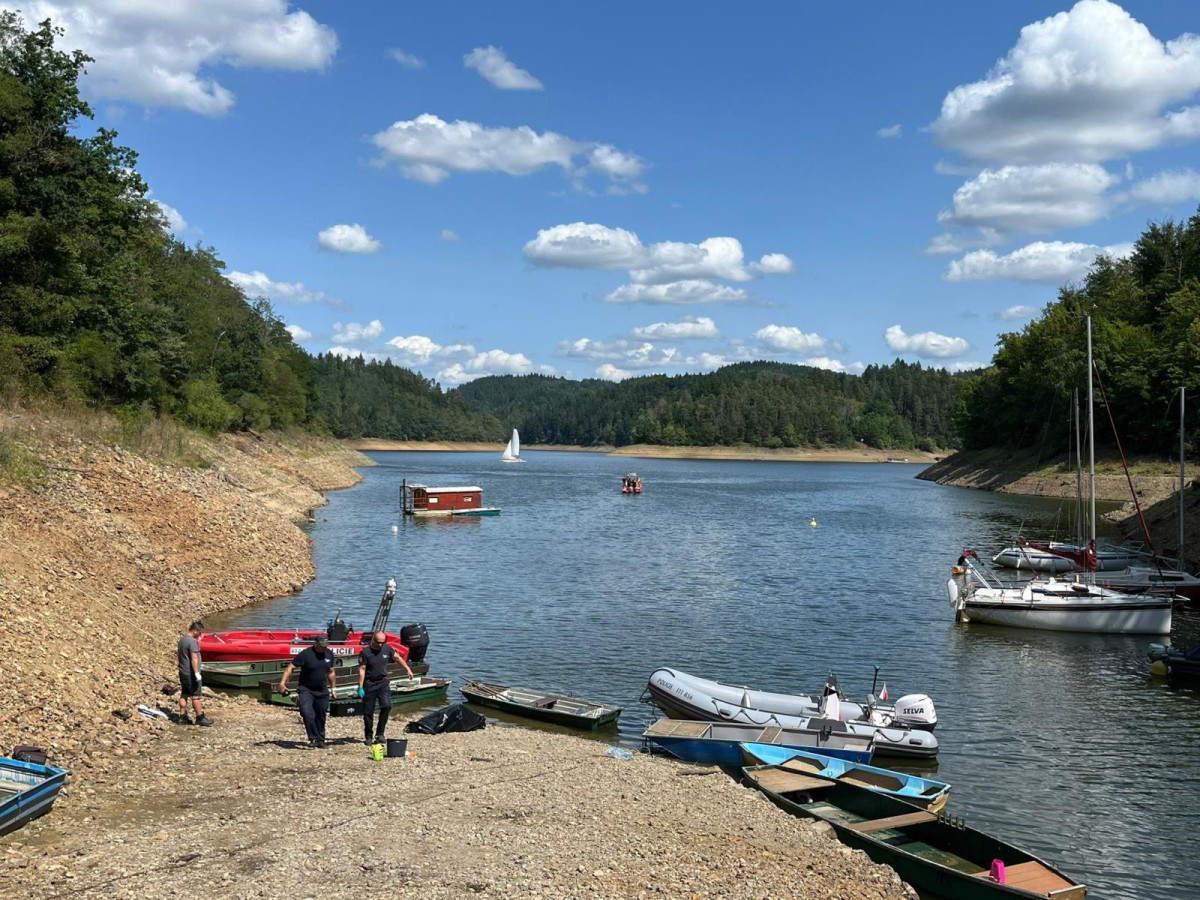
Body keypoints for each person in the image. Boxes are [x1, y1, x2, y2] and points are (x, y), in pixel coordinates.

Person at [278, 635, 336, 748]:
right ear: (316, 644)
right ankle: (313, 738)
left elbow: (331, 672)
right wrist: (282, 683)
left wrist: (333, 688)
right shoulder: (306, 654)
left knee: (321, 715)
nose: (324, 648)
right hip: (306, 689)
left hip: (322, 689)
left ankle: (320, 739)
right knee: (307, 712)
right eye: (322, 646)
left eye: (326, 646)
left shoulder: (329, 654)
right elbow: (290, 668)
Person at [357, 631, 413, 747]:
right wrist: (360, 687)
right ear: (373, 640)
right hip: (369, 683)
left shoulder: (387, 648)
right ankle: (368, 735)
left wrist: (407, 668)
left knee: (387, 706)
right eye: (378, 643)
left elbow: (397, 658)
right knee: (368, 712)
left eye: (383, 642)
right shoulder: (366, 653)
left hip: (383, 682)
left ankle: (380, 733)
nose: (381, 645)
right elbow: (362, 669)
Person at [176, 621, 213, 726]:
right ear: (195, 630)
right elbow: (194, 658)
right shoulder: (192, 642)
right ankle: (200, 717)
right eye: (199, 632)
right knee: (195, 695)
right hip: (191, 673)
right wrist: (197, 673)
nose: (200, 635)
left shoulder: (182, 640)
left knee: (184, 694)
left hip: (183, 671)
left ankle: (182, 717)